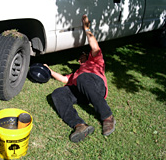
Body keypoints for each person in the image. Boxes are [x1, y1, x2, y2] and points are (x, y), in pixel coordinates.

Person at [44, 15, 116, 143]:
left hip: (96, 85)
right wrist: (50, 71)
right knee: (58, 93)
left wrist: (86, 28)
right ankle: (80, 126)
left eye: (83, 55)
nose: (80, 58)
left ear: (87, 55)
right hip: (82, 91)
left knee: (83, 79)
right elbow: (64, 79)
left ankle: (107, 116)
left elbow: (94, 47)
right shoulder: (76, 73)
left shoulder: (95, 61)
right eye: (79, 57)